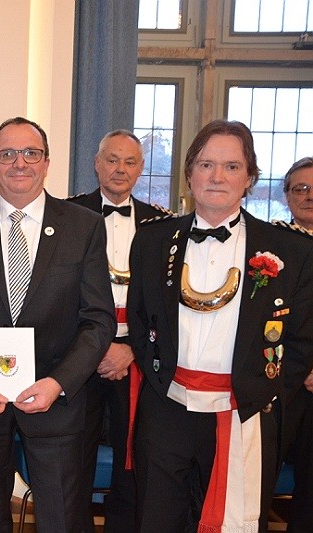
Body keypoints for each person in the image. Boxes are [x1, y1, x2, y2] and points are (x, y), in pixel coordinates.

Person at [0, 116, 116, 532]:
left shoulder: (83, 226)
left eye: (31, 153)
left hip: (56, 399)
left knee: (61, 518)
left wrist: (59, 383)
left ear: (46, 162)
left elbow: (98, 320)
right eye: (7, 154)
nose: (19, 163)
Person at [127, 120, 313, 532]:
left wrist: (261, 389)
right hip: (167, 408)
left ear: (249, 178)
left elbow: (301, 341)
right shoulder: (152, 241)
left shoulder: (292, 250)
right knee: (156, 519)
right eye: (206, 164)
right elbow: (139, 320)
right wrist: (160, 379)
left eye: (231, 166)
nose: (217, 177)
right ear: (190, 174)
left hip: (244, 412)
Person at [67, 130, 173, 533]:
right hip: (79, 352)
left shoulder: (162, 225)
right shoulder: (67, 214)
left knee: (132, 458)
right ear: (97, 164)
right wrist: (94, 348)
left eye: (130, 162)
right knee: (73, 456)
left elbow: (167, 301)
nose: (120, 169)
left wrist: (131, 349)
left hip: (136, 355)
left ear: (141, 168)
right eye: (112, 159)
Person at [279, 156, 313, 533]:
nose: (308, 196)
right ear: (287, 196)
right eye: (300, 188)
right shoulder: (271, 247)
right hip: (280, 382)